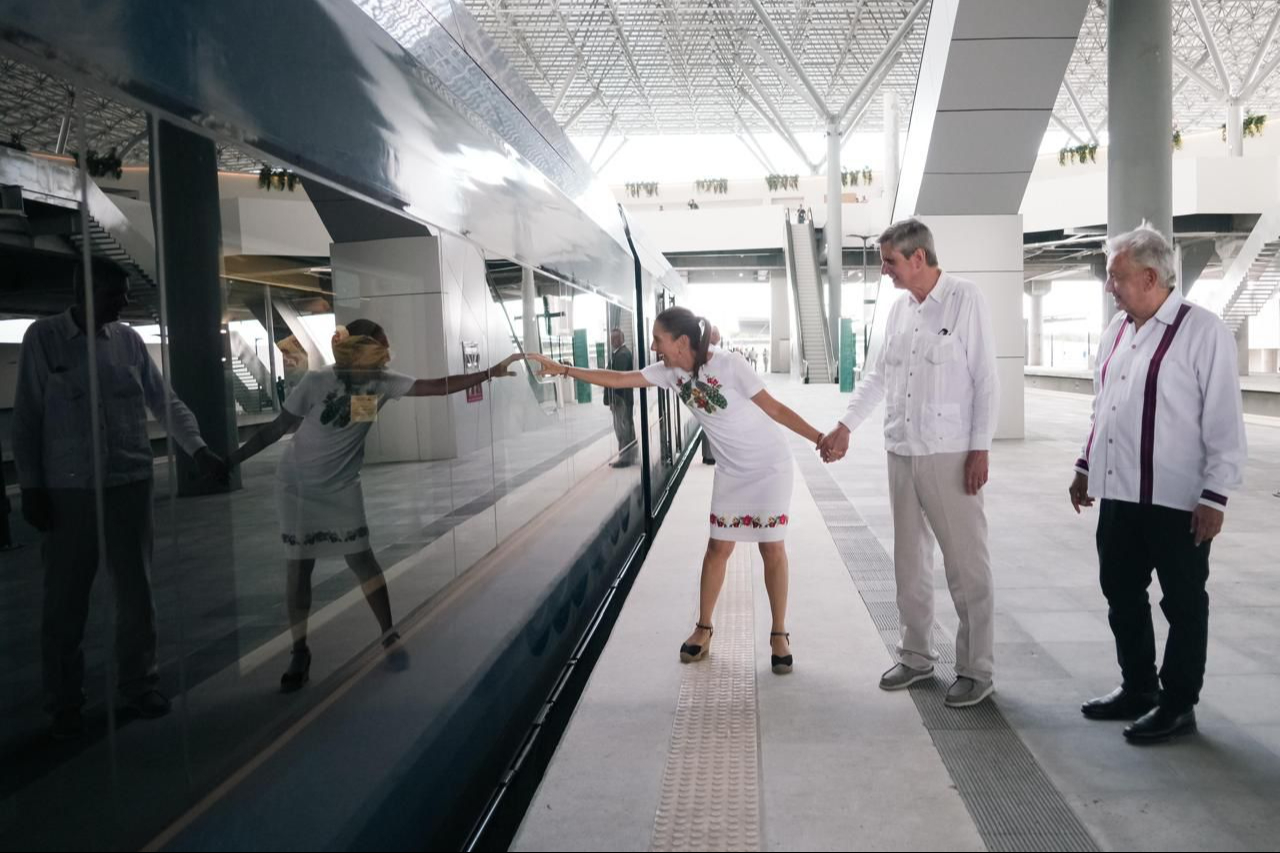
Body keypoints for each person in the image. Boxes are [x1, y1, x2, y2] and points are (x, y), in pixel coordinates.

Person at [229, 321, 522, 691]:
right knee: (299, 567)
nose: (387, 349)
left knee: (362, 559)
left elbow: (435, 387)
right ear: (365, 346)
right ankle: (299, 651)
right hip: (297, 486)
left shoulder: (383, 381)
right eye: (382, 343)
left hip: (340, 486)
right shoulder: (317, 381)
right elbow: (276, 429)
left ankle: (388, 633)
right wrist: (231, 462)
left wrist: (489, 373)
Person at [528, 307, 825, 674]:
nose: (654, 348)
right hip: (732, 471)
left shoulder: (730, 365)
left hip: (768, 466)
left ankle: (779, 633)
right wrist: (565, 370)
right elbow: (620, 379)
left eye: (658, 340)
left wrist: (820, 439)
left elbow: (775, 410)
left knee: (771, 547)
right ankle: (704, 628)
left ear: (681, 341)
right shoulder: (670, 373)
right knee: (718, 547)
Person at [12, 258, 229, 739]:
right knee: (65, 602)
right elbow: (26, 419)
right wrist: (31, 487)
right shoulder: (43, 339)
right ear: (86, 292)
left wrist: (197, 449)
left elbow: (163, 401)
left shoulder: (128, 343)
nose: (125, 302)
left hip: (129, 485)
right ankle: (64, 701)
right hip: (68, 493)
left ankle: (139, 683)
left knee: (137, 594)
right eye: (117, 293)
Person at [1071, 224, 1246, 744]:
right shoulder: (1118, 332)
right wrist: (1086, 466)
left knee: (1184, 603)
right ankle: (1139, 687)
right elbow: (1104, 407)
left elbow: (1223, 423)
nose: (1109, 287)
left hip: (1177, 501)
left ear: (1150, 277)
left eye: (1116, 277)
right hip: (1120, 495)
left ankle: (1178, 703)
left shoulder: (1202, 332)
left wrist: (1215, 496)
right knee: (1121, 592)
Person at [819, 218, 999, 708]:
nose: (886, 272)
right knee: (909, 561)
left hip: (950, 454)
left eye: (890, 262)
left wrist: (980, 448)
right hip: (901, 451)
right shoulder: (899, 311)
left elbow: (986, 379)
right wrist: (845, 425)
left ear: (918, 258)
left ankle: (976, 670)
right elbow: (878, 377)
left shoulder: (966, 300)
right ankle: (917, 656)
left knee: (966, 565)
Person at [604, 327, 636, 468]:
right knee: (627, 426)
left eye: (616, 338)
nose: (613, 341)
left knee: (622, 429)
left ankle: (625, 459)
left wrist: (613, 399)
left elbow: (618, 379)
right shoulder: (620, 353)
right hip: (623, 398)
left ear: (622, 339)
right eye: (612, 338)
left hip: (620, 399)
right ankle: (630, 456)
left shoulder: (622, 355)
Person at [701, 325, 722, 466]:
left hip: (706, 394)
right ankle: (711, 456)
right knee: (712, 427)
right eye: (716, 334)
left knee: (707, 426)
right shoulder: (713, 353)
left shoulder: (703, 351)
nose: (718, 337)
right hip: (711, 394)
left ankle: (707, 456)